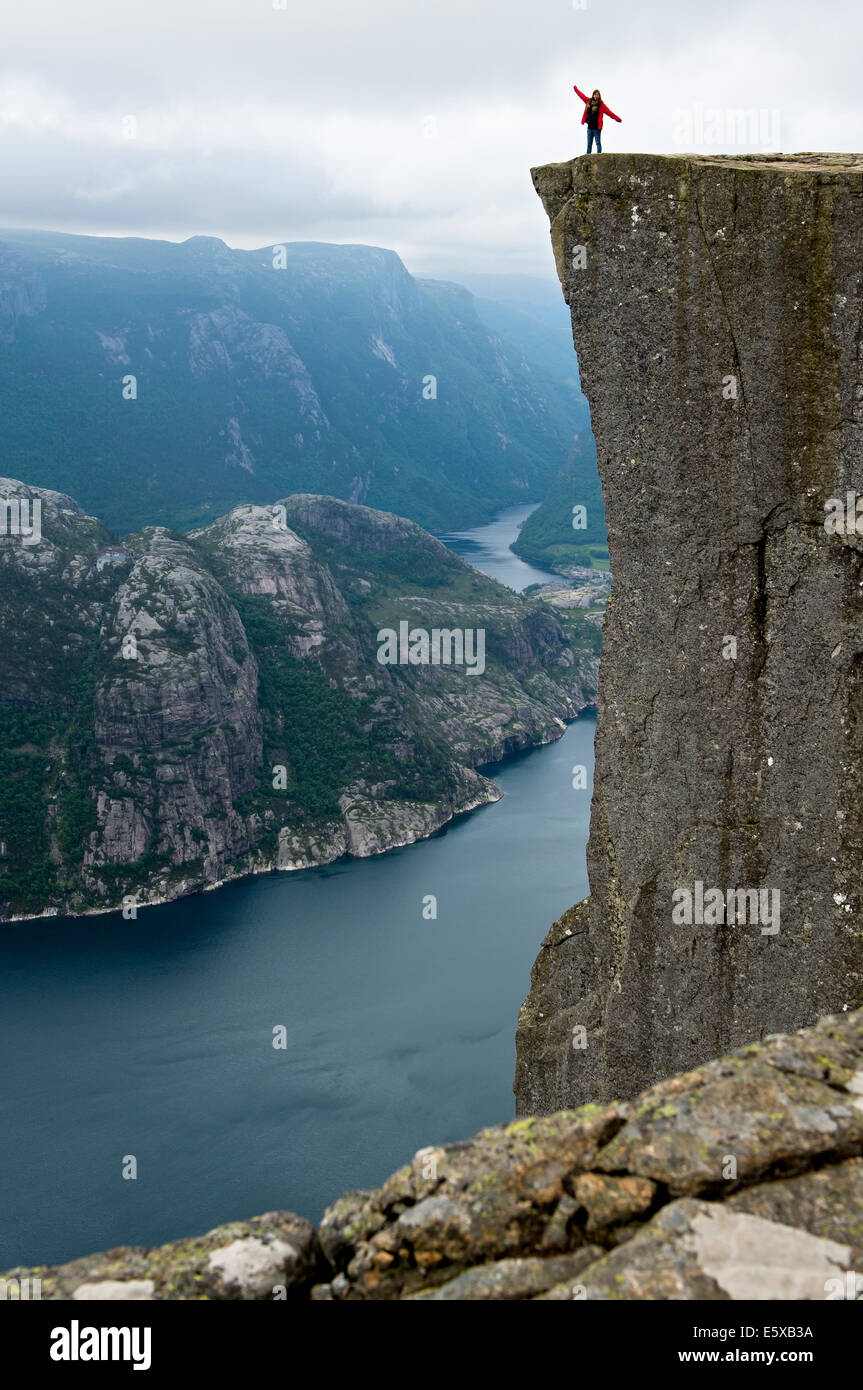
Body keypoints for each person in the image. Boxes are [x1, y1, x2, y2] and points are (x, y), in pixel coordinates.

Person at [573, 83, 622, 154]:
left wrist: (618, 119)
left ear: (599, 96)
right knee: (589, 145)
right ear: (593, 95)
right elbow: (581, 95)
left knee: (598, 143)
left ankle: (599, 156)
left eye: (597, 94)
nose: (596, 96)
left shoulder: (601, 105)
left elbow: (609, 113)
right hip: (589, 127)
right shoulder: (588, 101)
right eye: (595, 94)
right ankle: (588, 157)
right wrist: (575, 89)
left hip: (597, 128)